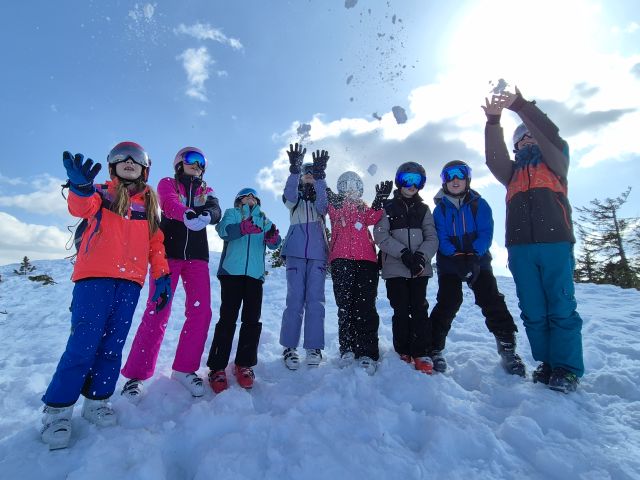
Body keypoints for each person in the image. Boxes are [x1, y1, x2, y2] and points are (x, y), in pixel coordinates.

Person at [41, 142, 170, 450]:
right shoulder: (100, 193)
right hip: (94, 279)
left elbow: (156, 244)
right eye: (122, 157)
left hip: (130, 283)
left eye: (136, 159)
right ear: (112, 166)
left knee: (113, 345)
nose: (129, 161)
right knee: (83, 344)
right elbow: (80, 208)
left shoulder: (149, 205)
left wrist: (162, 276)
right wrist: (80, 188)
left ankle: (97, 401)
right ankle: (57, 411)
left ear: (145, 169)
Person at [483, 87, 584, 393]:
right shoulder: (511, 173)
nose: (527, 139)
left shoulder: (555, 164)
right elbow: (493, 158)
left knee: (561, 307)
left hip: (555, 245)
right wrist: (493, 122)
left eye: (531, 135)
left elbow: (550, 133)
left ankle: (567, 368)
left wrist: (522, 107)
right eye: (521, 138)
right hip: (521, 249)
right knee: (533, 310)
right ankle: (548, 363)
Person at [120, 147, 221, 401]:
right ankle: (136, 375)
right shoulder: (168, 183)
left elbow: (215, 208)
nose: (197, 165)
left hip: (197, 257)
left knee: (201, 312)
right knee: (158, 309)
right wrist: (185, 214)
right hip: (168, 254)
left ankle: (185, 368)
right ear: (179, 163)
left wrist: (208, 215)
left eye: (201, 161)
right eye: (191, 159)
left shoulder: (205, 190)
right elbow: (168, 202)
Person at [429, 160, 525, 376]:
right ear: (444, 182)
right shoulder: (440, 209)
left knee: (491, 299)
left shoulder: (479, 204)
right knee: (448, 301)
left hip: (477, 260)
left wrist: (473, 254)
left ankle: (508, 348)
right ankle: (433, 347)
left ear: (467, 179)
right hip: (450, 262)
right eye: (449, 176)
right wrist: (455, 255)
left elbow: (485, 232)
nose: (455, 180)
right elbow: (441, 236)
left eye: (460, 175)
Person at [206, 188, 281, 392]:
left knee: (252, 320)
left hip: (255, 276)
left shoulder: (263, 219)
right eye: (246, 196)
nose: (250, 198)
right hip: (232, 273)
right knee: (227, 319)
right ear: (239, 200)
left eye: (254, 197)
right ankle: (217, 368)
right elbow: (223, 231)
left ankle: (244, 364)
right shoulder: (232, 213)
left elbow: (275, 244)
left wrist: (273, 238)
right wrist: (242, 228)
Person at [373, 162, 439, 374]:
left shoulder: (423, 209)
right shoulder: (388, 207)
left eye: (416, 180)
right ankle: (403, 350)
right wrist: (403, 253)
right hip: (395, 269)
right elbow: (380, 235)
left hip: (419, 269)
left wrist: (421, 256)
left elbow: (432, 237)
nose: (411, 185)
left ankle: (421, 352)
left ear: (422, 184)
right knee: (401, 309)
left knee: (419, 309)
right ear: (398, 181)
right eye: (406, 180)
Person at [326, 171, 393, 374]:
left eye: (354, 186)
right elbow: (332, 212)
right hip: (341, 260)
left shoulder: (364, 208)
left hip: (366, 261)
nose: (350, 190)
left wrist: (379, 200)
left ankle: (367, 351)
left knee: (365, 306)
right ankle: (347, 347)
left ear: (360, 189)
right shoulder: (335, 206)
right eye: (345, 186)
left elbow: (374, 217)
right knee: (345, 306)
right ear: (340, 189)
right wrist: (329, 194)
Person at [279, 143, 329, 370]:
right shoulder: (295, 199)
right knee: (295, 300)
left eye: (312, 171)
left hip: (318, 254)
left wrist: (320, 179)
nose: (309, 174)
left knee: (316, 301)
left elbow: (324, 207)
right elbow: (288, 197)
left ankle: (313, 347)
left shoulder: (320, 197)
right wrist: (293, 171)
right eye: (305, 172)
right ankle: (289, 347)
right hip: (295, 253)